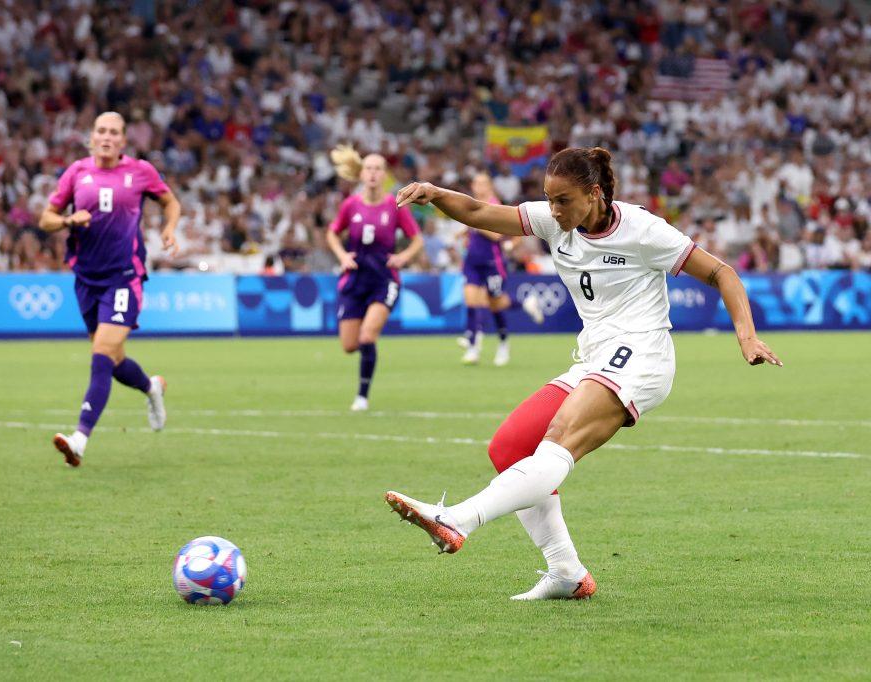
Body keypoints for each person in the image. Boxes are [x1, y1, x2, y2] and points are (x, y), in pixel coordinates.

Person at [385, 147, 781, 600]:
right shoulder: (557, 220)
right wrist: (435, 194)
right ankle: (566, 572)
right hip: (596, 356)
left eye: (563, 200)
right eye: (549, 200)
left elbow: (721, 273)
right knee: (510, 447)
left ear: (594, 194)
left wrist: (746, 337)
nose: (553, 211)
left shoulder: (644, 230)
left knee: (557, 441)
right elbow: (476, 211)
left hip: (643, 354)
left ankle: (456, 519)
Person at [39, 111, 181, 467]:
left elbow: (170, 201)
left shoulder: (140, 171)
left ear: (123, 140)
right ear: (91, 137)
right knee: (113, 360)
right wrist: (69, 220)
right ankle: (152, 388)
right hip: (87, 279)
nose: (106, 137)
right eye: (101, 130)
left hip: (124, 277)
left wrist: (169, 228)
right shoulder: (77, 172)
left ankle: (80, 440)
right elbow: (46, 218)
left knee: (101, 351)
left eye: (114, 132)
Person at [325, 145, 423, 411]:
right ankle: (366, 363)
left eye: (378, 169)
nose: (372, 173)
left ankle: (362, 396)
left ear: (384, 175)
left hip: (384, 280)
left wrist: (403, 257)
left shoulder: (395, 205)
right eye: (368, 168)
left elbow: (416, 240)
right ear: (361, 173)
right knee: (349, 345)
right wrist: (342, 256)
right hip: (355, 279)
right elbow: (332, 233)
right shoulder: (351, 204)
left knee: (367, 336)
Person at [458, 172, 544, 366]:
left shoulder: (494, 205)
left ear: (489, 186)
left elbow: (497, 235)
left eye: (483, 183)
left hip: (492, 263)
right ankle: (473, 347)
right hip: (472, 262)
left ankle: (504, 344)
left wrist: (474, 224)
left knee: (496, 304)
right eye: (476, 183)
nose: (479, 187)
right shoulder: (471, 204)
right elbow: (474, 230)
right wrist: (464, 233)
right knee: (471, 301)